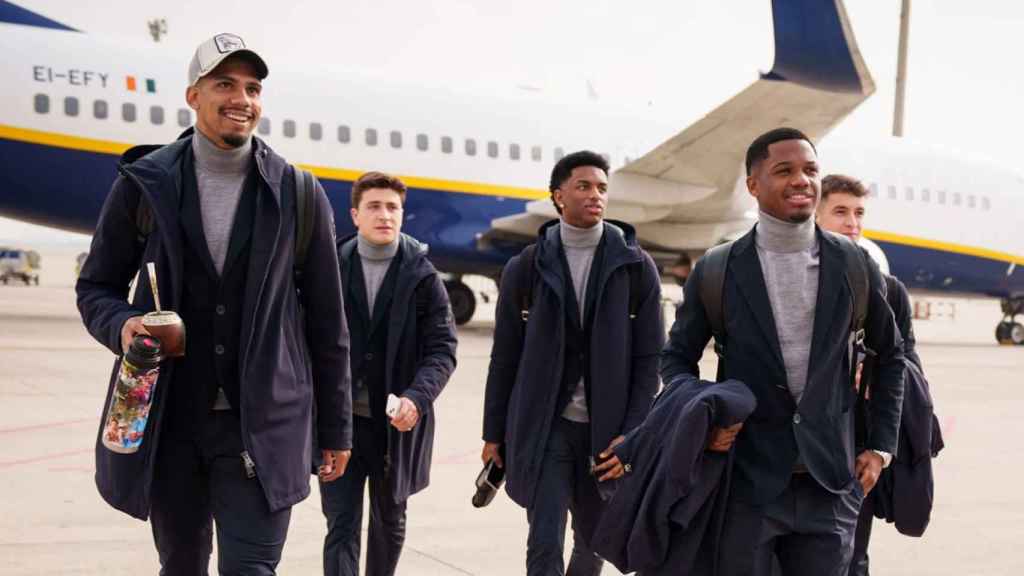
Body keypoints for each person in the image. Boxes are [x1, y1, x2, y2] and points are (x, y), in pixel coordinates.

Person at [76, 33, 352, 575]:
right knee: (181, 565)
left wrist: (337, 430)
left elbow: (328, 323)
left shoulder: (298, 193)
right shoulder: (144, 183)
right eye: (224, 83)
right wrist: (126, 326)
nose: (241, 98)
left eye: (252, 87)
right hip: (169, 419)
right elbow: (96, 289)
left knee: (251, 570)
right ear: (193, 96)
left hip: (264, 425)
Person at [660, 128, 905, 576]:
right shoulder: (717, 270)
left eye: (811, 170)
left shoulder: (854, 265)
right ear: (753, 185)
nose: (801, 180)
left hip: (830, 483)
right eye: (784, 170)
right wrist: (704, 420)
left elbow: (891, 356)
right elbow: (676, 359)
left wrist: (881, 448)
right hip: (747, 484)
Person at [482, 150, 664, 575]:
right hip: (547, 429)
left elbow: (649, 359)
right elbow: (504, 357)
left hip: (608, 433)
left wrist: (633, 434)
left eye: (602, 187)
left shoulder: (637, 268)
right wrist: (493, 432)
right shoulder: (524, 268)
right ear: (558, 196)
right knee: (544, 539)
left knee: (594, 542)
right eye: (583, 186)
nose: (595, 195)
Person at [319, 172, 457, 576]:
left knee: (390, 522)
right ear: (355, 215)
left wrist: (417, 397)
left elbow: (443, 350)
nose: (384, 215)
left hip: (395, 428)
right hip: (338, 425)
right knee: (340, 525)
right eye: (374, 206)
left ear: (402, 214)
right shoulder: (328, 271)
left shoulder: (424, 278)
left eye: (392, 207)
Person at [815, 174, 926, 575]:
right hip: (793, 450)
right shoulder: (793, 277)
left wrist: (880, 449)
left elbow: (908, 362)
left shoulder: (889, 289)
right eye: (840, 211)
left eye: (859, 213)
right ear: (815, 212)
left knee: (851, 556)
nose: (852, 222)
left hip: (855, 448)